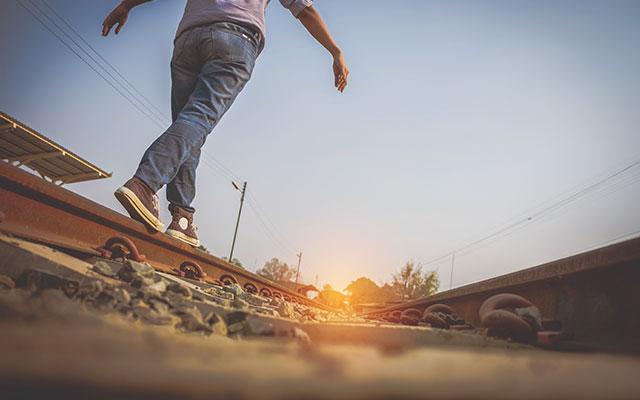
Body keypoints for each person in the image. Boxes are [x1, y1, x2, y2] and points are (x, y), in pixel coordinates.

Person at [102, 0, 349, 247]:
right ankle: (145, 183)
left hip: (189, 39)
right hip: (235, 39)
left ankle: (182, 216)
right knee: (198, 118)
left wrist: (127, 5)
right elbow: (304, 10)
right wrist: (335, 51)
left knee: (190, 124)